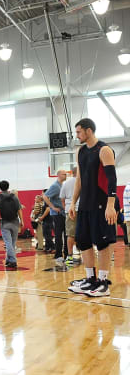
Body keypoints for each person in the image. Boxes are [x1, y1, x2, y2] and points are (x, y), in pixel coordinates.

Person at [68, 118, 117, 297]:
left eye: (79, 132)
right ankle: (90, 279)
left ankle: (103, 282)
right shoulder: (80, 152)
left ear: (88, 131)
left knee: (102, 244)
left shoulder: (104, 150)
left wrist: (110, 206)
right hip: (85, 205)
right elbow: (79, 179)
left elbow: (112, 180)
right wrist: (73, 202)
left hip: (102, 204)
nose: (77, 135)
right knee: (83, 241)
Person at [0, 181, 24, 269]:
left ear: (0, 188)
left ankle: (12, 261)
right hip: (15, 222)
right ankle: (8, 260)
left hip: (5, 223)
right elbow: (19, 209)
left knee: (8, 243)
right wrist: (22, 220)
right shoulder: (14, 197)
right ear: (8, 187)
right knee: (12, 243)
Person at [44, 170, 67, 264]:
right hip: (57, 214)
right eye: (63, 174)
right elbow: (45, 196)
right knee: (58, 235)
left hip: (63, 213)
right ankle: (58, 254)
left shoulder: (62, 185)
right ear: (58, 175)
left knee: (66, 234)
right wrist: (53, 207)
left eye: (66, 174)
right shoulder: (55, 186)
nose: (65, 175)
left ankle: (66, 253)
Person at [60, 168, 79, 265]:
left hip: (70, 210)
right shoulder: (83, 180)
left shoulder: (66, 183)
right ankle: (85, 254)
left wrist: (66, 208)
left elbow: (62, 198)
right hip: (83, 209)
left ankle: (70, 256)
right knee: (87, 233)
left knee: (70, 234)